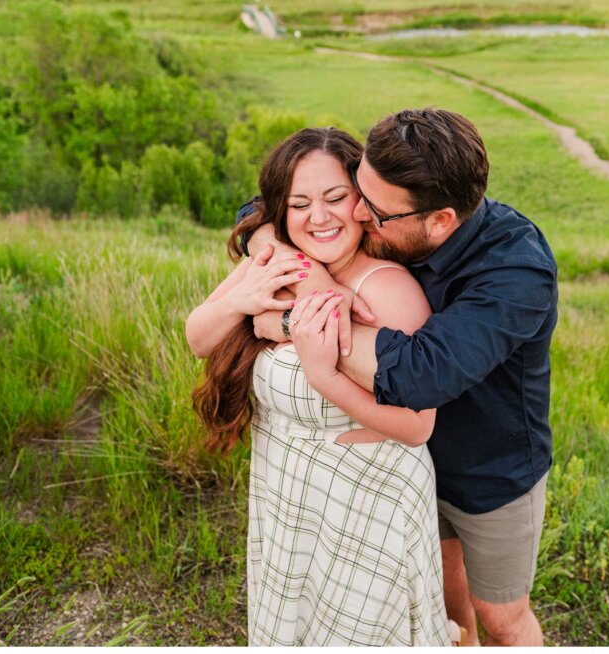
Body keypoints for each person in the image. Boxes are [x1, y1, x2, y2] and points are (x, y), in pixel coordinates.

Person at [241, 108, 558, 646]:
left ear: (440, 221)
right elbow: (263, 212)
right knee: (446, 609)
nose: (357, 214)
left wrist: (297, 318)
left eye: (375, 210)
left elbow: (417, 372)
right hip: (408, 465)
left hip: (489, 471)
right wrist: (317, 280)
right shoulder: (397, 186)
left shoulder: (515, 273)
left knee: (502, 619)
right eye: (358, 190)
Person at [185, 128, 450, 646]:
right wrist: (245, 299)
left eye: (335, 198)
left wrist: (310, 357)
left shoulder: (387, 291)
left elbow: (419, 423)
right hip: (290, 488)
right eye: (299, 203)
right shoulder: (276, 261)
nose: (320, 217)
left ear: (363, 202)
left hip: (367, 499)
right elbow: (198, 337)